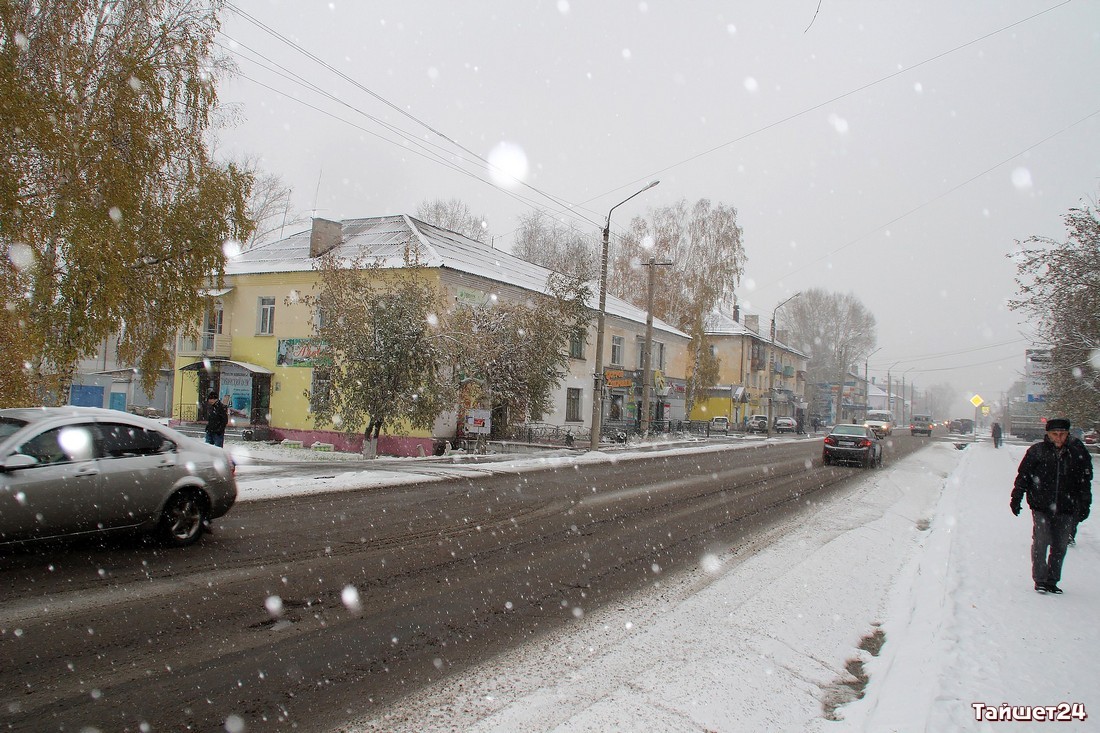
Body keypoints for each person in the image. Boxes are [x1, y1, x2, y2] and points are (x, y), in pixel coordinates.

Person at [1010, 417, 1092, 594]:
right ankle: (1040, 579)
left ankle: (1052, 580)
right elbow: (1023, 476)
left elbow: (1085, 481)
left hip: (1067, 506)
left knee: (1060, 545)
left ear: (1068, 434)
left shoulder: (1077, 452)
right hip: (1041, 505)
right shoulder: (1037, 451)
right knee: (1041, 541)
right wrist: (1016, 497)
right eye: (1055, 434)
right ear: (1048, 434)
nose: (1059, 438)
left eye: (1063, 434)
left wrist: (1085, 503)